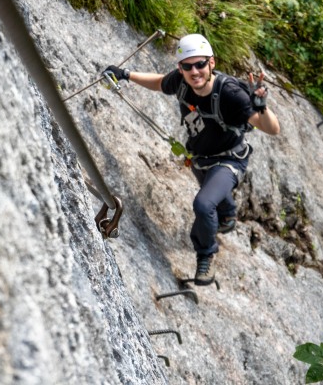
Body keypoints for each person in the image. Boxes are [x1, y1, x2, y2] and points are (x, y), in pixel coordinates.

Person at [105, 34, 280, 285]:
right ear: (180, 68)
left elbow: (272, 129)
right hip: (200, 158)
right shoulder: (181, 82)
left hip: (229, 160)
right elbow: (160, 83)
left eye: (200, 64)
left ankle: (206, 255)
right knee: (212, 194)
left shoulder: (231, 93)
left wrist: (261, 107)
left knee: (203, 204)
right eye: (187, 66)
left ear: (212, 63)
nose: (194, 71)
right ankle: (228, 214)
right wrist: (126, 74)